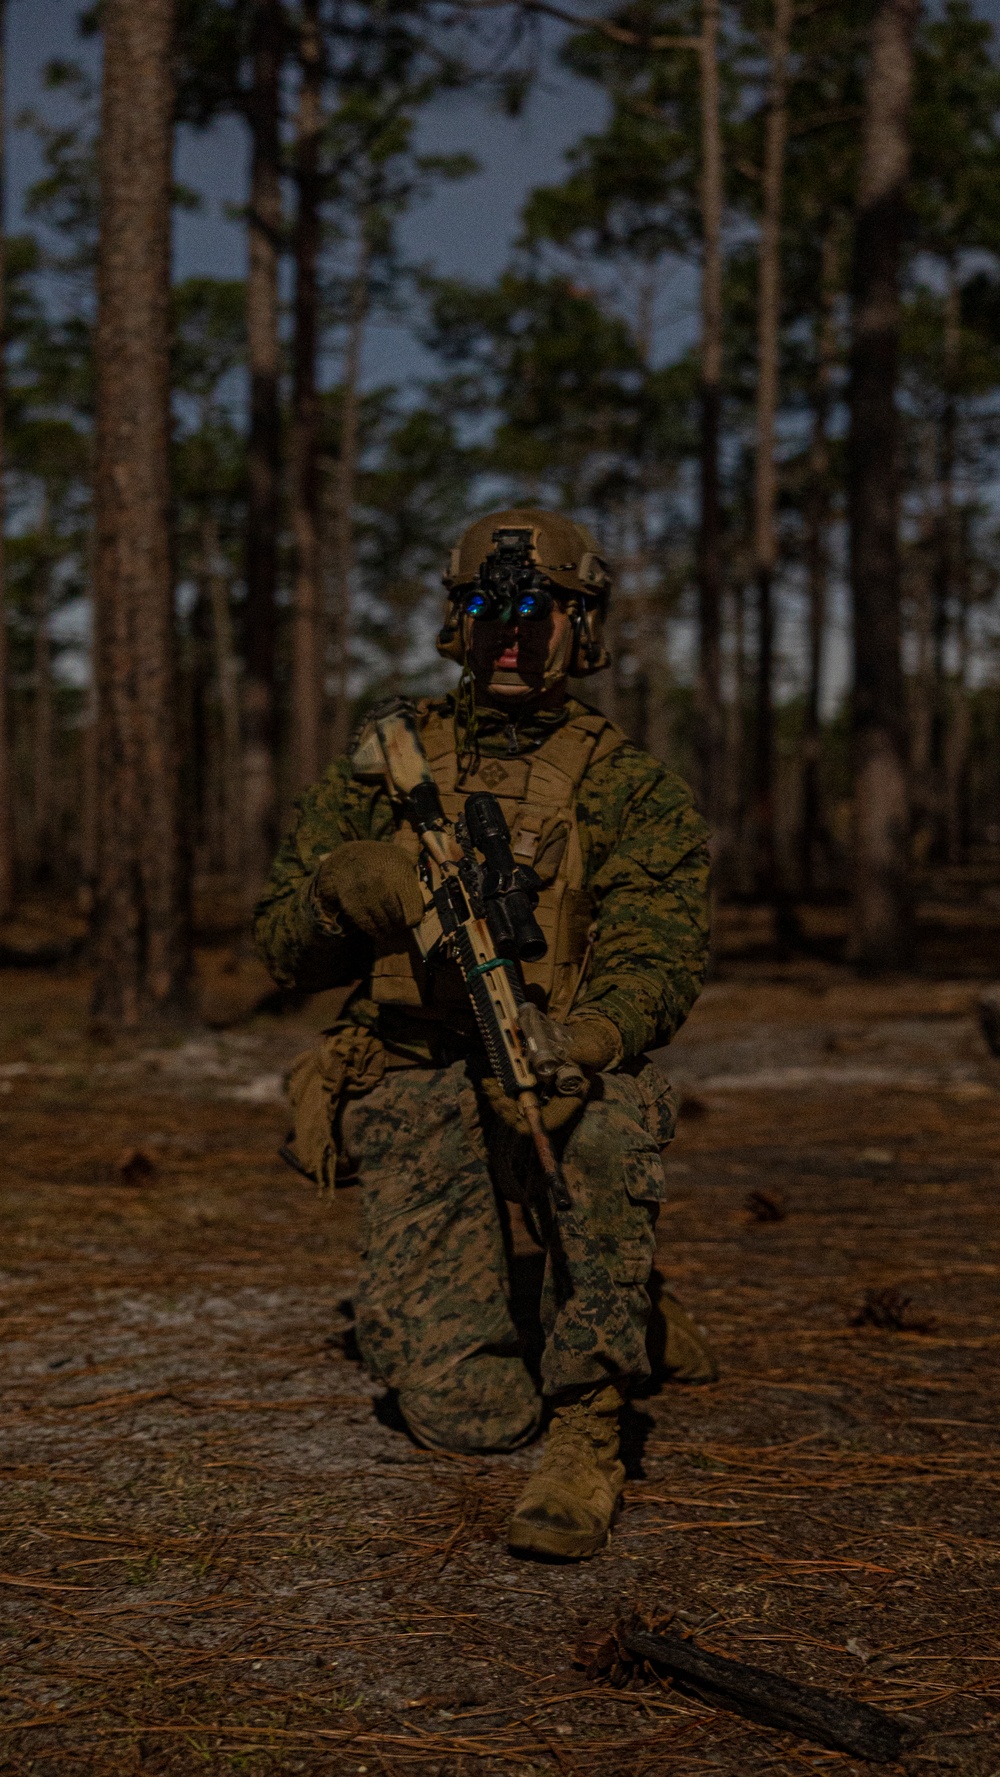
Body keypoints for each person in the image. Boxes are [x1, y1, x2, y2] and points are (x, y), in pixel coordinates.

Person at [254, 509, 712, 1561]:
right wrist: (341, 895)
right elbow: (279, 947)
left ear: (583, 628)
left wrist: (582, 1043)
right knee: (466, 1417)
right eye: (483, 606)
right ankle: (611, 1299)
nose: (510, 632)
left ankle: (588, 1428)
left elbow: (661, 959)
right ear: (451, 623)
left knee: (600, 1134)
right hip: (414, 1079)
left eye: (538, 610)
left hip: (547, 1073)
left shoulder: (628, 786)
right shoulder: (384, 764)